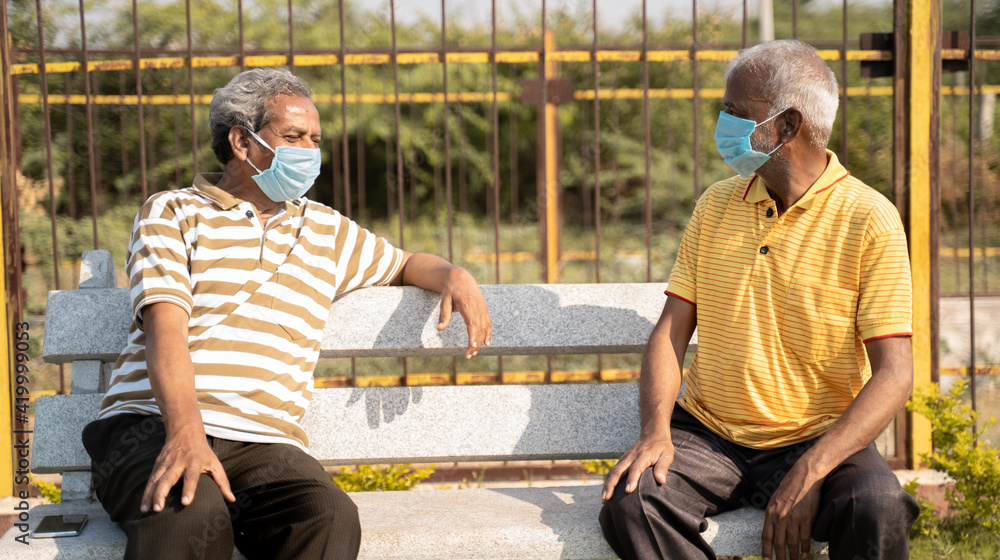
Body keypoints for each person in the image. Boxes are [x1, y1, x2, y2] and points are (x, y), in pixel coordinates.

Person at [81, 68, 492, 560]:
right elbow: (165, 327)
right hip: (153, 423)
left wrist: (454, 275)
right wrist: (185, 432)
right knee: (192, 514)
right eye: (293, 136)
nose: (308, 150)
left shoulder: (325, 229)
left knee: (326, 517)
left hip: (263, 443)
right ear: (241, 141)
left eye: (315, 138)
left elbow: (403, 263)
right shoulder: (172, 212)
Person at [598, 40, 918, 560]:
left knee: (877, 505)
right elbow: (670, 332)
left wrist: (813, 468)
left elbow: (895, 373)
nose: (721, 123)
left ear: (788, 126)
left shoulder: (869, 219)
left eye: (735, 112)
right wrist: (656, 431)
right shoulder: (717, 204)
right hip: (711, 436)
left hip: (819, 437)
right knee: (633, 501)